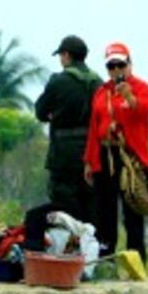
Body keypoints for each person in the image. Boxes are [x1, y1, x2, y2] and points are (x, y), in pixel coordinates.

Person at [84, 42, 148, 263]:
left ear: (129, 64)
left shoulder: (140, 87)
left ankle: (136, 258)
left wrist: (129, 97)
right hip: (106, 155)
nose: (116, 70)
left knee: (132, 209)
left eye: (120, 65)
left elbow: (146, 108)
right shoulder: (102, 92)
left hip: (130, 157)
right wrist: (89, 161)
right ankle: (106, 257)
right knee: (105, 210)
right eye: (111, 66)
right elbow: (94, 127)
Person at [35, 34, 103, 224]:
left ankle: (67, 251)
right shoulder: (99, 83)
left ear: (66, 55)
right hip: (91, 155)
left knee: (63, 209)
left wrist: (53, 115)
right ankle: (91, 250)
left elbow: (40, 111)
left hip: (63, 156)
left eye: (61, 55)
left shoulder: (58, 81)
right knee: (90, 207)